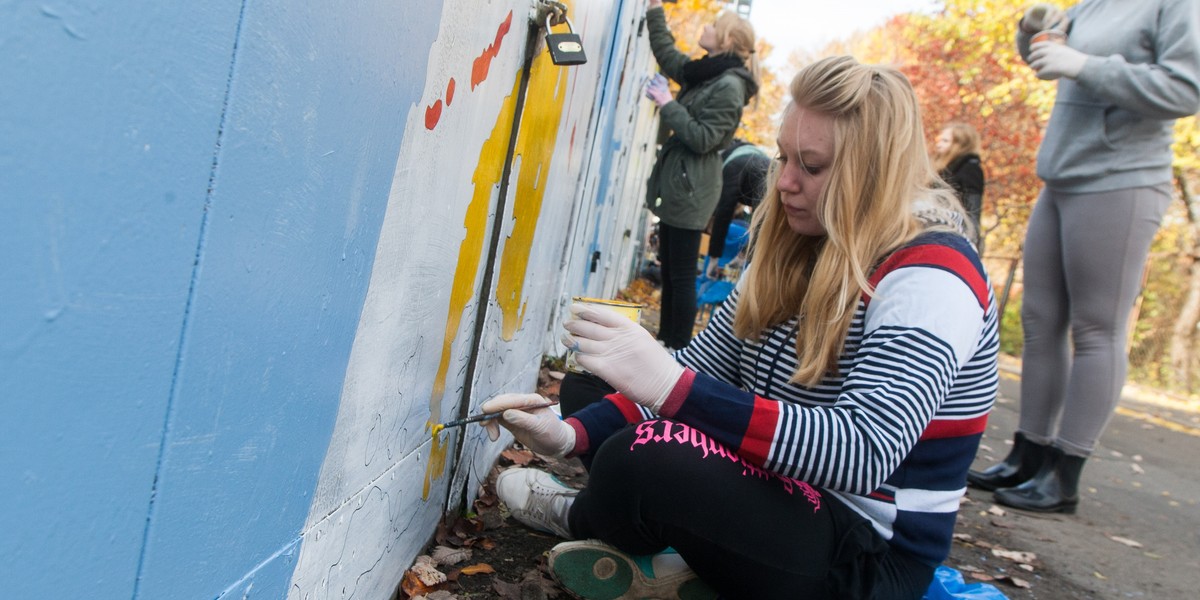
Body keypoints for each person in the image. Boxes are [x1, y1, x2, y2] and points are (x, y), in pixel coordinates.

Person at [481, 56, 999, 600]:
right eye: (783, 157)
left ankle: (588, 517)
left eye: (814, 166)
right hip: (785, 496)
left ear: (874, 173)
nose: (785, 183)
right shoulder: (796, 244)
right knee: (596, 386)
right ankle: (687, 561)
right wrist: (569, 434)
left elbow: (862, 450)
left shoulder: (935, 275)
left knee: (645, 456)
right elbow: (703, 368)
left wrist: (667, 387)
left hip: (865, 555)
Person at [967, 0, 1200, 515]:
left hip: (1122, 176)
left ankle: (1065, 473)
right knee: (1040, 319)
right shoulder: (1092, 4)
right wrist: (1030, 31)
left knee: (1098, 328)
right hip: (1062, 172)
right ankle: (1027, 455)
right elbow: (1046, 58)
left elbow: (1187, 88)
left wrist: (1085, 66)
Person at [641, 0, 760, 350]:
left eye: (712, 25)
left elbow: (705, 139)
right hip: (680, 183)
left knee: (680, 274)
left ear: (724, 39)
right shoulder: (704, 73)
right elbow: (668, 53)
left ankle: (677, 349)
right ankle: (665, 342)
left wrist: (667, 102)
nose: (705, 28)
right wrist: (655, 11)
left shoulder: (729, 86)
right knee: (668, 270)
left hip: (693, 186)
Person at [707, 138, 770, 265]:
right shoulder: (756, 156)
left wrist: (714, 256)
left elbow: (724, 210)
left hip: (762, 184)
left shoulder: (732, 166)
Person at [931, 122, 985, 250]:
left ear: (959, 145)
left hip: (953, 235)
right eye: (939, 140)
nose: (938, 144)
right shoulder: (941, 167)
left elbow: (973, 208)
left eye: (945, 141)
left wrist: (971, 240)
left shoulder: (970, 169)